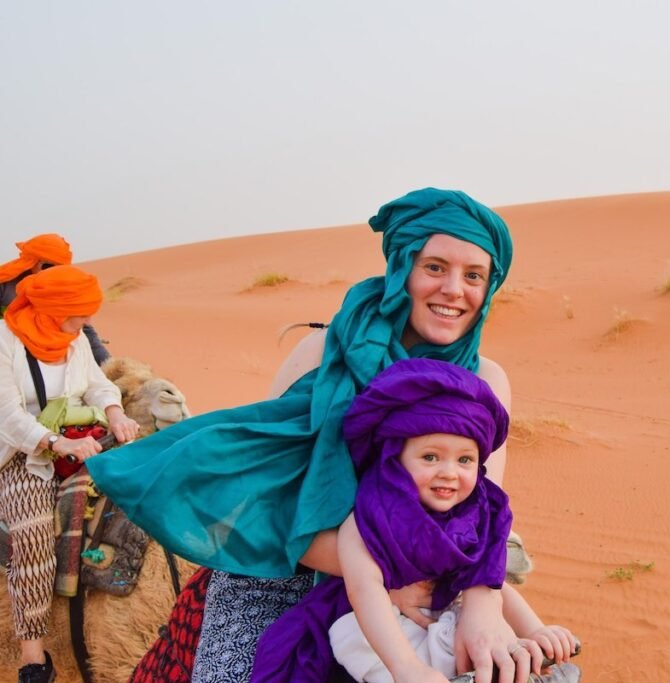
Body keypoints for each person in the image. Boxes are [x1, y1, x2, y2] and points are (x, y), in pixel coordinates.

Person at [87, 188, 535, 683]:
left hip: (429, 582)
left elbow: (481, 512)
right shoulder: (321, 351)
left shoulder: (486, 380)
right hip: (283, 574)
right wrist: (376, 582)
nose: (454, 289)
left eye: (474, 276)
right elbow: (267, 495)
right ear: (402, 267)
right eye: (434, 268)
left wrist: (482, 603)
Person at [250, 358, 578, 683]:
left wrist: (535, 628)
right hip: (380, 630)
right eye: (430, 457)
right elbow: (365, 591)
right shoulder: (370, 516)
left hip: (446, 621)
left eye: (464, 459)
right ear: (394, 458)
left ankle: (517, 669)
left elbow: (491, 581)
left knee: (485, 634)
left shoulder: (476, 512)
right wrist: (406, 668)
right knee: (367, 643)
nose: (449, 472)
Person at [0, 265, 140, 683]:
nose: (89, 321)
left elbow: (97, 386)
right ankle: (33, 656)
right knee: (34, 535)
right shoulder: (5, 342)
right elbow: (7, 415)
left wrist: (115, 413)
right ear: (56, 308)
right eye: (81, 311)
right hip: (23, 453)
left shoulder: (74, 340)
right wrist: (56, 443)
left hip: (83, 437)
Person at [0, 234, 111, 365]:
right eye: (48, 266)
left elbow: (83, 327)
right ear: (33, 262)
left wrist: (108, 363)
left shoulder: (61, 287)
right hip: (9, 348)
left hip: (49, 353)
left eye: (59, 268)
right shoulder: (5, 284)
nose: (52, 272)